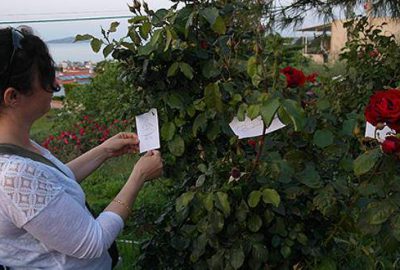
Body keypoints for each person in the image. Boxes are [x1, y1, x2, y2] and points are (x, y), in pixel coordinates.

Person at [0, 26, 163, 269]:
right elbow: (93, 241)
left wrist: (105, 150)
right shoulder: (14, 175)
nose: (55, 84)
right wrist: (138, 176)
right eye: (45, 77)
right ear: (12, 97)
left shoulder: (16, 148)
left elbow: (50, 185)